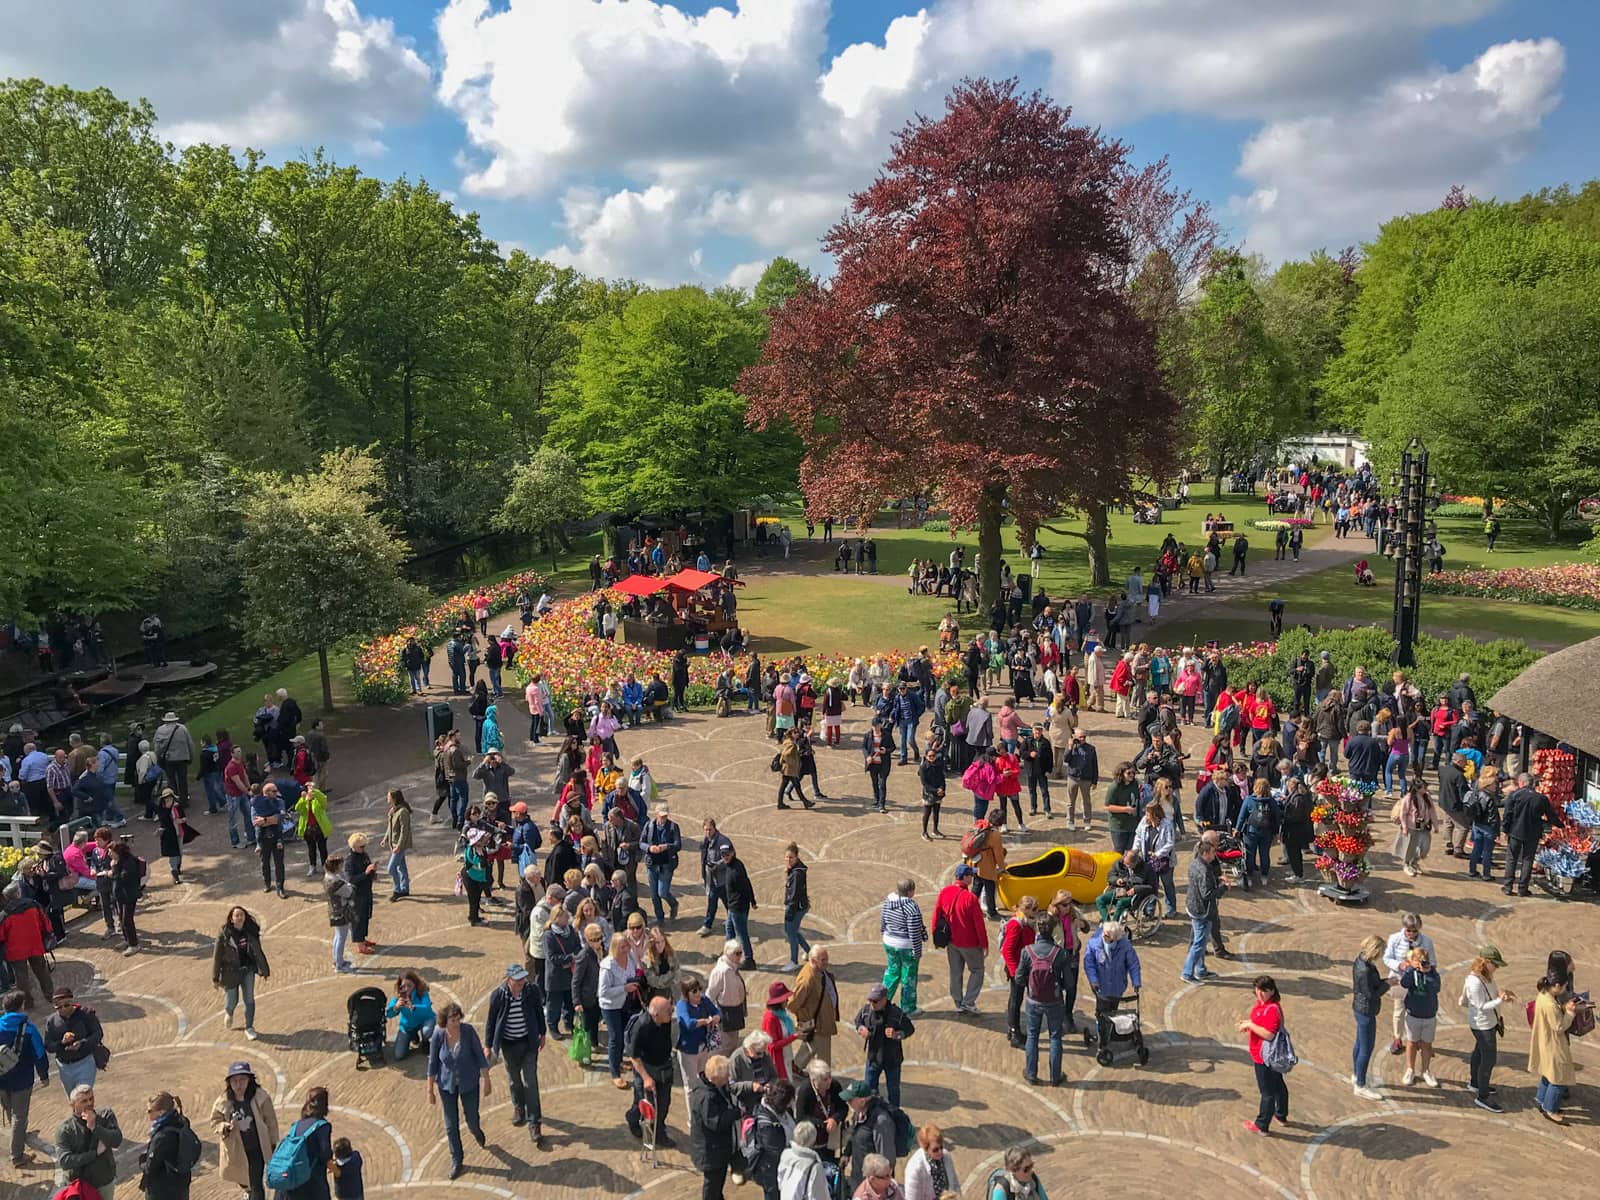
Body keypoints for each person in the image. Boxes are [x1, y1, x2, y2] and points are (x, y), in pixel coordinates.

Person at [486, 963, 549, 1149]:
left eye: (523, 978)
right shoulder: (498, 996)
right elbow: (491, 1021)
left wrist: (543, 1033)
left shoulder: (531, 991)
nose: (522, 982)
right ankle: (519, 1106)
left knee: (531, 1081)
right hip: (508, 1044)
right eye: (518, 980)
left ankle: (535, 1123)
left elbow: (539, 1012)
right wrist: (488, 1045)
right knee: (514, 1079)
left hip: (528, 1042)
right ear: (508, 980)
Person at [427, 1003, 492, 1179]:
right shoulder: (438, 1035)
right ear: (444, 1021)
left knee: (471, 1118)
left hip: (469, 1083)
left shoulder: (468, 1032)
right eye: (452, 1020)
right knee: (450, 1125)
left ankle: (477, 1131)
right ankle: (457, 1159)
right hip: (446, 1086)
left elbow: (479, 1055)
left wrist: (486, 1079)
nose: (456, 1023)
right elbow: (433, 1063)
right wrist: (430, 1090)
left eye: (457, 1019)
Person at [211, 1061, 278, 1200]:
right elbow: (215, 1121)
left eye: (242, 1080)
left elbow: (271, 1121)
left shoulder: (261, 1097)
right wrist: (224, 1127)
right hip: (236, 1149)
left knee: (256, 1182)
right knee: (241, 1177)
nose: (238, 1084)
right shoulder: (223, 1101)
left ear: (249, 1080)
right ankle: (248, 1191)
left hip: (256, 1148)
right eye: (234, 1081)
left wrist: (272, 1143)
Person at [1018, 913, 1072, 1087]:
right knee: (1055, 1037)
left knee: (1032, 1036)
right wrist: (1059, 986)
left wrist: (1031, 985)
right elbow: (1070, 983)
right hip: (1054, 1000)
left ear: (1037, 929)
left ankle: (1031, 1073)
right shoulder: (1061, 953)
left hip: (1034, 1000)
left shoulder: (1027, 951)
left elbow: (1019, 978)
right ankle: (1055, 1076)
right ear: (1053, 930)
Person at [1459, 945, 1513, 1112]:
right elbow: (1481, 1005)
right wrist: (1500, 1001)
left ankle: (1475, 1083)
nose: (1496, 968)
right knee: (1488, 1059)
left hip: (1489, 1022)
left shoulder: (1487, 976)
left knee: (1479, 1052)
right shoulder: (1475, 982)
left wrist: (1501, 995)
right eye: (1495, 964)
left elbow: (1491, 994)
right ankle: (1482, 1096)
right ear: (1486, 962)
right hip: (1482, 1025)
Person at [0, 990, 48, 1168]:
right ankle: (17, 1155)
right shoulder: (29, 1029)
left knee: (10, 1111)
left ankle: (18, 1135)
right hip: (22, 1081)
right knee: (19, 1116)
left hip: (1, 1080)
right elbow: (40, 1054)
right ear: (21, 1007)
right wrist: (44, 1076)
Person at [1528, 964, 1579, 1124]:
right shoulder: (1550, 1004)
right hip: (1554, 1044)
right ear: (1556, 985)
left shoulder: (1543, 995)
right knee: (1558, 1078)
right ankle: (1550, 1109)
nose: (1565, 989)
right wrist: (1570, 1013)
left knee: (1547, 1072)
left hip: (1544, 1041)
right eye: (1564, 986)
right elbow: (1559, 1026)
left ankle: (1541, 1100)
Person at [933, 866, 988, 1014]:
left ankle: (958, 1002)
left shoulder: (944, 892)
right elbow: (979, 925)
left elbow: (936, 916)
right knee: (977, 970)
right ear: (965, 877)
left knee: (955, 972)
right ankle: (969, 1002)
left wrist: (936, 938)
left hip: (951, 942)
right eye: (971, 875)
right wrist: (984, 944)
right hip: (969, 943)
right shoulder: (970, 898)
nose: (973, 878)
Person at [55, 1082, 123, 1199]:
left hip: (103, 1181)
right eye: (84, 1101)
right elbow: (65, 1161)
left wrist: (95, 1127)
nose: (90, 1103)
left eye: (91, 1098)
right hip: (78, 1186)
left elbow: (116, 1140)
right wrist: (94, 1154)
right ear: (73, 1105)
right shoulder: (65, 1130)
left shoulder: (105, 1115)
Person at [691, 1054, 745, 1200]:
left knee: (716, 1184)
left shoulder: (708, 1086)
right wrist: (736, 1113)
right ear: (716, 1078)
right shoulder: (706, 1097)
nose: (728, 1078)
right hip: (710, 1152)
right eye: (726, 1076)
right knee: (712, 1185)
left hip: (716, 1149)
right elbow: (716, 1122)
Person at [1238, 976, 1287, 1135]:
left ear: (1272, 991)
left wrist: (1251, 1025)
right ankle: (1280, 1115)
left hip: (1264, 1057)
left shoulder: (1271, 1009)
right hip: (1269, 1056)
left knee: (1267, 1093)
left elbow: (1269, 1034)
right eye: (1258, 990)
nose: (1260, 993)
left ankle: (1262, 1125)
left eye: (1264, 990)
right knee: (1278, 1086)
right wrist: (1250, 1025)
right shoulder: (1265, 1006)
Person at [626, 997, 677, 1148]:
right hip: (646, 1069)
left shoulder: (665, 1020)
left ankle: (659, 1133)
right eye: (668, 1011)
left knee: (664, 1102)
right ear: (656, 1015)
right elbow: (634, 1057)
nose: (671, 1012)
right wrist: (646, 1078)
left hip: (664, 1067)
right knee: (643, 1102)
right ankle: (632, 1118)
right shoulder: (642, 1026)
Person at [212, 906, 269, 1040]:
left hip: (247, 970)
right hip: (231, 972)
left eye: (241, 915)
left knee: (249, 999)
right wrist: (215, 977)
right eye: (236, 915)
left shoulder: (250, 932)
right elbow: (217, 956)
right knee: (233, 999)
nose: (239, 917)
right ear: (231, 919)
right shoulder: (225, 934)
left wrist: (264, 969)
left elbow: (258, 952)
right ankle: (229, 1011)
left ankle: (249, 1027)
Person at [673, 973, 722, 1130]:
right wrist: (703, 1021)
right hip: (688, 1050)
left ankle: (703, 1110)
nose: (698, 995)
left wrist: (715, 1018)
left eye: (699, 990)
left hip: (703, 1047)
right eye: (694, 992)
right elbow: (687, 1023)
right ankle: (692, 1118)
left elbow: (716, 1011)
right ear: (687, 994)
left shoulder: (704, 1000)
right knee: (690, 1085)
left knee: (704, 1080)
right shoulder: (682, 1005)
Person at [854, 983, 914, 1109]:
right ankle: (870, 1115)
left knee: (893, 1092)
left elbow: (910, 1029)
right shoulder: (866, 1011)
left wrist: (897, 1034)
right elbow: (858, 1021)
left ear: (884, 999)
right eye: (870, 1000)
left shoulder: (896, 1013)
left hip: (892, 1059)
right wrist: (861, 1029)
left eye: (875, 1001)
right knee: (868, 1090)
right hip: (873, 1058)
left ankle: (895, 1117)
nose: (872, 1004)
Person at [1502, 772, 1558, 896]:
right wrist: (1561, 825)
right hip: (1533, 833)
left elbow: (1507, 815)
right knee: (1527, 860)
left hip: (1515, 831)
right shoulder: (1541, 798)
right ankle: (1523, 889)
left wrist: (1505, 830)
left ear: (1521, 783)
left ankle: (1508, 887)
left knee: (1512, 859)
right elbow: (1551, 816)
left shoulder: (1514, 795)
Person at [1350, 934, 1391, 1101]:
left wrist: (1386, 981)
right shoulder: (1365, 970)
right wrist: (1387, 984)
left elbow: (1372, 986)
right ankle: (1360, 1085)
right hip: (1366, 1011)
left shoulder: (1360, 961)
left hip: (1360, 1009)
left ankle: (1356, 1074)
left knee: (1360, 1044)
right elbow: (1371, 994)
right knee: (1366, 1049)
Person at [138, 1091, 199, 1200]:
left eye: (150, 1111)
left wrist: (142, 1162)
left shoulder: (162, 1137)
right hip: (181, 1185)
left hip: (163, 1191)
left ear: (161, 1112)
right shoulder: (181, 1121)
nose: (147, 1113)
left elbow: (150, 1167)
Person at [44, 987, 104, 1098]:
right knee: (74, 1101)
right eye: (58, 1006)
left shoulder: (86, 1014)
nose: (63, 1009)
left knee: (82, 1097)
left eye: (66, 1005)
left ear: (72, 1002)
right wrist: (61, 1043)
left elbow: (98, 1034)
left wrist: (82, 1043)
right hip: (64, 1067)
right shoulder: (51, 1021)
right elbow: (48, 1045)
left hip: (85, 1062)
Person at [0, 885, 54, 1007]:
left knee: (21, 977)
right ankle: (50, 995)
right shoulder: (33, 905)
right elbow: (45, 923)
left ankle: (27, 1002)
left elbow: (1, 936)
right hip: (35, 944)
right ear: (18, 893)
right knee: (42, 971)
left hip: (16, 950)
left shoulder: (4, 915)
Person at [788, 946, 841, 1068]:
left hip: (821, 1021)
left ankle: (795, 1068)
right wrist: (805, 1017)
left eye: (826, 959)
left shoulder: (819, 971)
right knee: (824, 1061)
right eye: (823, 960)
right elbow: (793, 1004)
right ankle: (823, 1080)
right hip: (819, 1024)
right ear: (812, 960)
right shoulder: (807, 980)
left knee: (810, 1046)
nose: (826, 962)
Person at [840, 1080, 895, 1192]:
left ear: (862, 1100)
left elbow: (887, 1158)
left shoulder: (881, 1121)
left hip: (874, 1185)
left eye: (850, 1100)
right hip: (857, 1178)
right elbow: (854, 1134)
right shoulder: (858, 1113)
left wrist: (883, 1186)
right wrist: (846, 1153)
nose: (847, 1103)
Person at [1398, 946, 1441, 1087]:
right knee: (1411, 1042)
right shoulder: (1411, 971)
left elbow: (1436, 988)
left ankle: (1426, 1070)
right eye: (1418, 960)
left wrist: (1427, 973)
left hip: (1429, 1015)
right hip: (1413, 1014)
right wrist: (1411, 969)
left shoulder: (1433, 973)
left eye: (1424, 961)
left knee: (1427, 1045)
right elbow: (1404, 983)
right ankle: (1410, 1069)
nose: (1422, 963)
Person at [879, 879, 923, 1015]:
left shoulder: (888, 902)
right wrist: (917, 950)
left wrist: (884, 933)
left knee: (892, 973)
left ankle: (880, 1003)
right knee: (908, 977)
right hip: (906, 946)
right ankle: (908, 1007)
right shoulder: (911, 907)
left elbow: (883, 920)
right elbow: (914, 931)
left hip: (889, 942)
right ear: (910, 891)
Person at [641, 805, 682, 924]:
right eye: (661, 816)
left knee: (662, 892)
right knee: (654, 894)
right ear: (656, 814)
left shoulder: (674, 827)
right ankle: (660, 917)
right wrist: (649, 848)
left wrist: (667, 847)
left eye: (665, 816)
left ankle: (673, 904)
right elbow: (641, 842)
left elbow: (678, 845)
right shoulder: (649, 826)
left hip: (666, 864)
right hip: (652, 863)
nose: (663, 818)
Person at [386, 970, 436, 1062]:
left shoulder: (422, 993)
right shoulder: (398, 997)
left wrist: (412, 1007)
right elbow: (388, 1015)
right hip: (407, 1026)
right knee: (399, 1055)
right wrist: (395, 1007)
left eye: (409, 985)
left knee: (427, 1031)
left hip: (424, 1021)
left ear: (415, 984)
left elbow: (426, 1008)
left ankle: (425, 1042)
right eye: (403, 986)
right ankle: (413, 1036)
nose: (406, 989)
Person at [1392, 774, 1435, 877]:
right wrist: (1405, 827)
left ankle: (1415, 862)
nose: (1426, 789)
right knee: (1409, 847)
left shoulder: (1427, 797)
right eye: (1424, 788)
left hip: (1424, 826)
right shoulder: (1408, 798)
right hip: (1411, 826)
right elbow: (1403, 813)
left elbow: (1432, 811)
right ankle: (1407, 864)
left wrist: (1435, 824)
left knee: (1424, 848)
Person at [778, 1119, 831, 1200]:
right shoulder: (814, 1166)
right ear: (813, 1140)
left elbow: (780, 1181)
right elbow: (820, 1196)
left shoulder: (786, 1154)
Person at [902, 1123, 958, 1200]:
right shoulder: (914, 1169)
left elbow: (955, 1184)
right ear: (925, 1148)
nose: (940, 1152)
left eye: (941, 1147)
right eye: (935, 1150)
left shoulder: (946, 1156)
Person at [782, 843, 812, 972]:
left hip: (796, 908)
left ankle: (793, 961)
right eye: (787, 857)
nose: (788, 860)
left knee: (791, 933)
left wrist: (789, 913)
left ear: (797, 857)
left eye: (791, 857)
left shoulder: (797, 874)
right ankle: (810, 952)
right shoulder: (796, 870)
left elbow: (794, 895)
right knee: (793, 931)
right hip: (799, 906)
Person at [325, 853, 356, 973]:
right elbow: (350, 892)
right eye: (340, 865)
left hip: (334, 910)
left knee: (338, 936)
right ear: (336, 866)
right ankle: (339, 965)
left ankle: (337, 960)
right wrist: (349, 885)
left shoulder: (328, 877)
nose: (342, 867)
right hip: (341, 912)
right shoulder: (336, 882)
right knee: (341, 938)